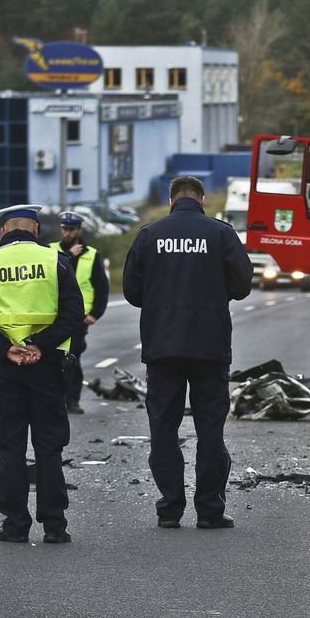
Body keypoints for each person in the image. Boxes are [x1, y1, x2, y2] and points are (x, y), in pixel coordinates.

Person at [122, 176, 253, 530]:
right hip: (210, 347)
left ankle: (170, 509)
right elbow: (242, 286)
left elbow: (132, 290)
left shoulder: (150, 235)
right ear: (202, 200)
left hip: (162, 347)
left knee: (163, 429)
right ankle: (210, 510)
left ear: (170, 200)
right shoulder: (221, 234)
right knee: (210, 430)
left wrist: (160, 299)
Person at [0, 204, 84, 544]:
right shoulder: (53, 261)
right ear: (36, 230)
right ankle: (55, 526)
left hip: (5, 368)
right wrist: (40, 345)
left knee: (10, 446)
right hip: (46, 367)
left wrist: (5, 349)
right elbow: (73, 312)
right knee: (49, 445)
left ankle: (15, 524)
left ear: (4, 232)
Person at [58, 210, 109, 414]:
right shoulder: (52, 251)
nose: (68, 233)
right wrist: (69, 256)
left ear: (79, 230)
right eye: (65, 229)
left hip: (79, 318)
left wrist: (96, 313)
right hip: (55, 315)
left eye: (72, 229)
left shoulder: (91, 255)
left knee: (73, 359)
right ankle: (57, 399)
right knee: (55, 360)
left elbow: (101, 287)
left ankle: (73, 400)